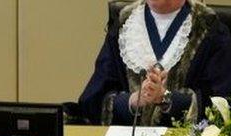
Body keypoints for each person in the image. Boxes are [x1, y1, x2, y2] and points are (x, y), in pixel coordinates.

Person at [78, 0, 231, 125]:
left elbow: (221, 103)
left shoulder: (210, 29)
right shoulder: (123, 25)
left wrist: (166, 98)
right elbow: (93, 100)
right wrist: (133, 101)